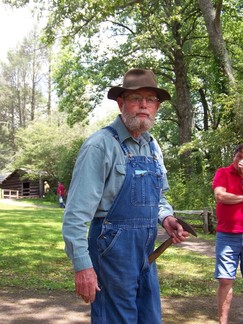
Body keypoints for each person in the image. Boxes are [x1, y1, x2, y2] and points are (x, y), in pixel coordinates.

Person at [62, 68, 188, 324]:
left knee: (150, 319)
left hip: (145, 255)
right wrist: (82, 266)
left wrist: (166, 218)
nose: (143, 105)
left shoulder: (153, 146)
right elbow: (75, 215)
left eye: (150, 99)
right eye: (135, 98)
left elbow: (159, 198)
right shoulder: (100, 145)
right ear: (121, 103)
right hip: (111, 254)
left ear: (157, 107)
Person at [212, 143, 243, 324]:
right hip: (227, 235)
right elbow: (220, 196)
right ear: (234, 156)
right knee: (225, 280)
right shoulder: (222, 173)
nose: (241, 161)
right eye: (239, 156)